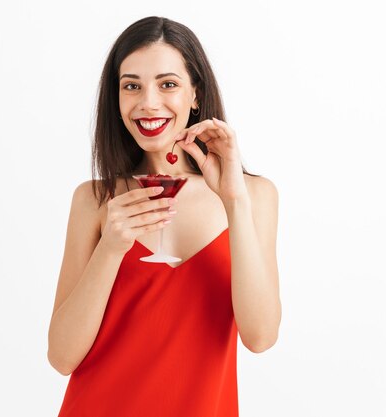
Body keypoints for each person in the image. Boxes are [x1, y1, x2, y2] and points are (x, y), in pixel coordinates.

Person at [47, 16, 281, 416]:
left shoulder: (252, 196)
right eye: (132, 86)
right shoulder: (94, 200)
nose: (148, 102)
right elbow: (62, 356)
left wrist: (233, 200)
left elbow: (260, 337)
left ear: (195, 94)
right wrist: (110, 248)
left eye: (167, 84)